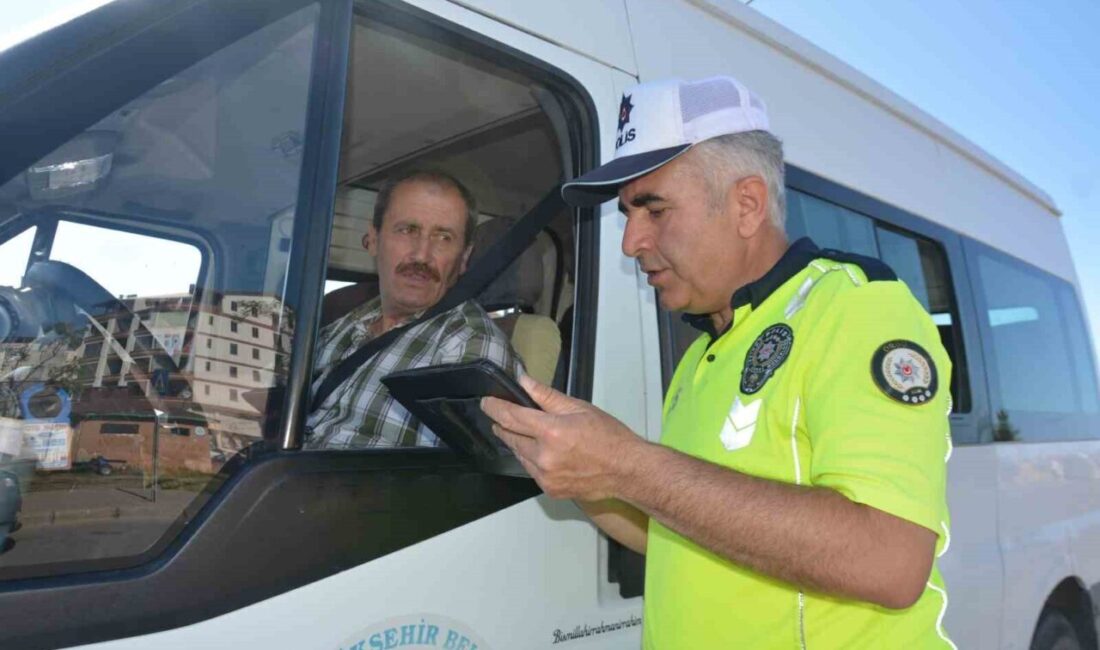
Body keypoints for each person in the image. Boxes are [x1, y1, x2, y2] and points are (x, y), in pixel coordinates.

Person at [481, 76, 954, 648]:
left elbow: (891, 558)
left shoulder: (854, 306)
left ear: (747, 204)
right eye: (629, 213)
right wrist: (579, 467)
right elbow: (678, 527)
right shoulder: (707, 347)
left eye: (652, 209)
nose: (631, 241)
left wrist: (629, 465)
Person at [307, 170, 523, 449]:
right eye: (407, 230)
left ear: (464, 258)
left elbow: (461, 484)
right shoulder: (347, 321)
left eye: (443, 237)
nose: (422, 255)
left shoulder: (470, 347)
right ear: (373, 240)